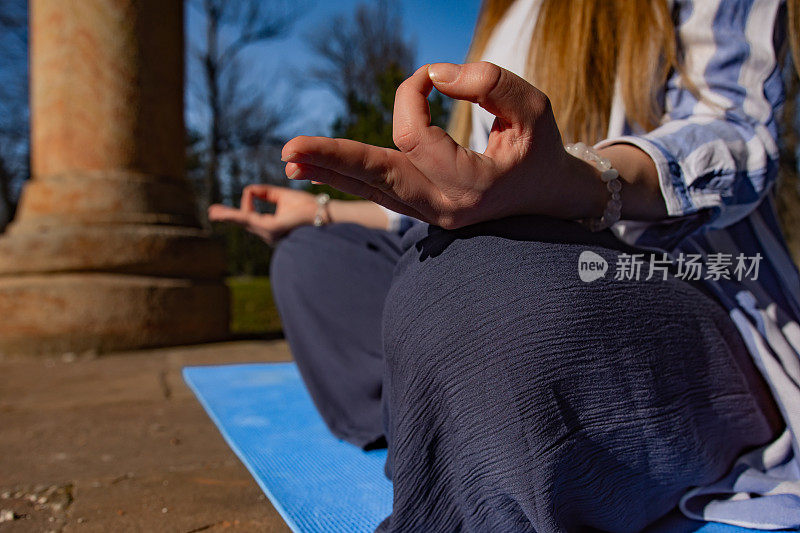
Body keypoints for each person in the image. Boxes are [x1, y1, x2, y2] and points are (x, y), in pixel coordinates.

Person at [209, 0, 800, 530]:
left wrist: (579, 179)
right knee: (311, 262)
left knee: (476, 295)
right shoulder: (499, 14)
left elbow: (739, 136)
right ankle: (464, 409)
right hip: (500, 271)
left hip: (660, 282)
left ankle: (471, 413)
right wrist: (317, 212)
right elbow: (454, 208)